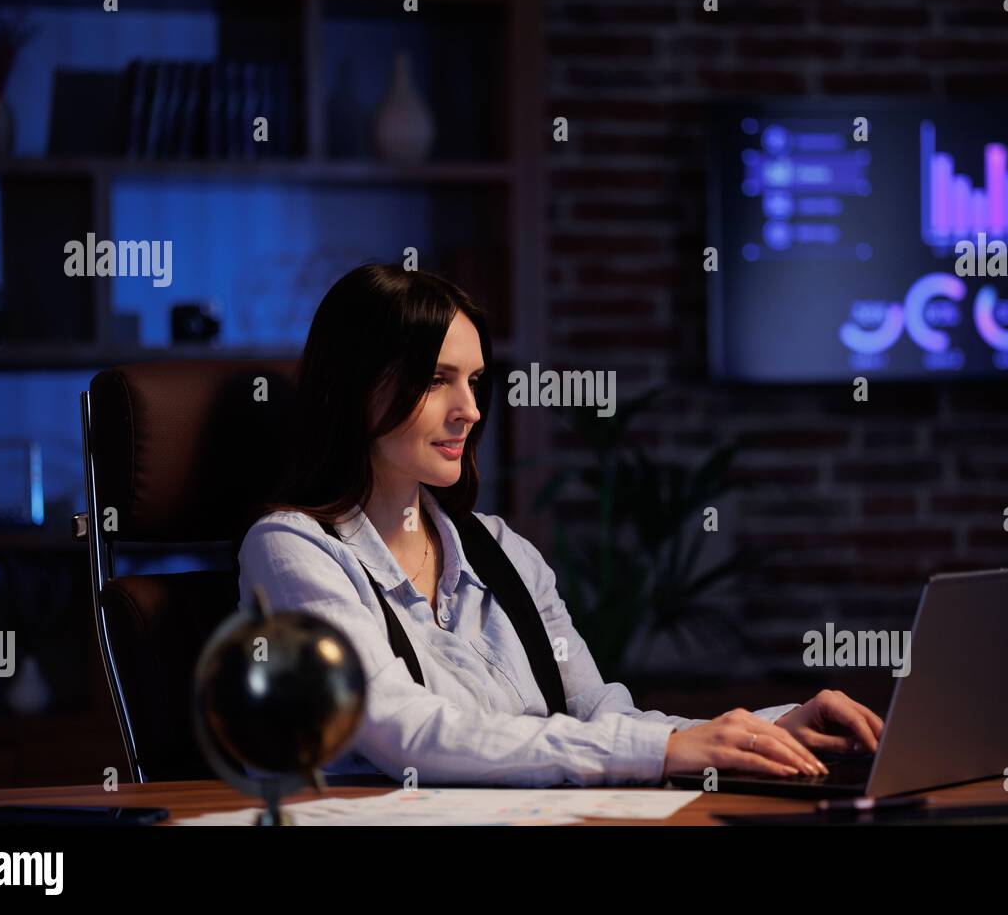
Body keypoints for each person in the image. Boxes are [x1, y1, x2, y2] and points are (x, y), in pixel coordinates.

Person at [237, 262, 884, 787]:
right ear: (358, 388)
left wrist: (765, 730)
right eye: (438, 380)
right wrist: (664, 751)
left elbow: (604, 714)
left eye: (476, 382)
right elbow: (408, 734)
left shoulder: (500, 549)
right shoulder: (293, 550)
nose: (469, 410)